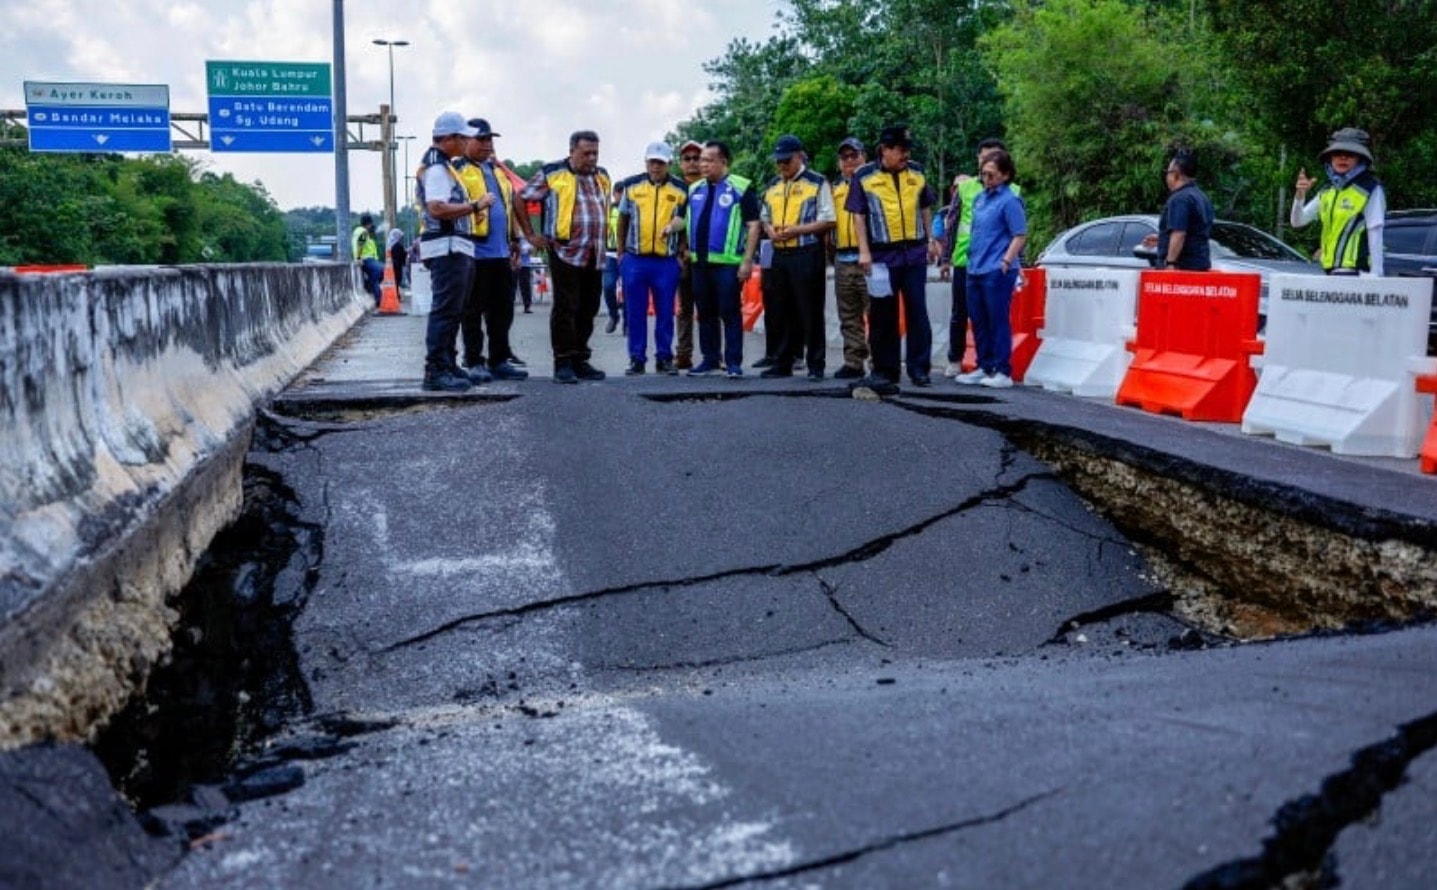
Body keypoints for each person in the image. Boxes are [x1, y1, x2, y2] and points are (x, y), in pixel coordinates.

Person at [847, 124, 937, 393]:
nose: (905, 154)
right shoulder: (864, 175)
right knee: (883, 314)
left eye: (908, 149)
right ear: (884, 150)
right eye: (900, 150)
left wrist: (931, 239)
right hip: (881, 257)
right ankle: (885, 371)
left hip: (914, 254)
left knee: (917, 310)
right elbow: (858, 215)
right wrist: (863, 250)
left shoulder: (917, 171)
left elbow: (925, 207)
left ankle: (920, 369)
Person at [518, 130, 612, 383]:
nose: (591, 158)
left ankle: (581, 357)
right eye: (586, 153)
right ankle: (563, 362)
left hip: (596, 250)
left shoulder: (602, 176)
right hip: (565, 251)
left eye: (595, 153)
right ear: (572, 151)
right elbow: (521, 197)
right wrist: (530, 234)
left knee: (589, 307)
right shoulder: (552, 173)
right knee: (565, 308)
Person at [455, 117, 527, 382]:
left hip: (500, 254)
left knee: (502, 311)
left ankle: (499, 359)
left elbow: (507, 208)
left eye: (490, 139)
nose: (487, 144)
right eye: (481, 139)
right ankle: (473, 360)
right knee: (472, 311)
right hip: (473, 253)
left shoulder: (497, 171)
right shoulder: (458, 170)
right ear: (466, 140)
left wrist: (515, 239)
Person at [759, 135, 836, 380]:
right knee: (781, 310)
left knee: (810, 310)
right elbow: (764, 216)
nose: (782, 166)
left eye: (787, 161)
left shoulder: (817, 182)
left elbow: (829, 219)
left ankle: (816, 364)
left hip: (806, 252)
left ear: (799, 157)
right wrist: (770, 230)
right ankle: (783, 361)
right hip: (780, 253)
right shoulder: (772, 185)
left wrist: (797, 230)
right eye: (779, 162)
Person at [415, 112, 481, 392]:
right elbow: (437, 208)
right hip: (446, 246)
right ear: (451, 139)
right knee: (445, 310)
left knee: (453, 310)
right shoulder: (438, 169)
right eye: (464, 138)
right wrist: (475, 206)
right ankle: (436, 371)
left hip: (453, 245)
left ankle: (447, 363)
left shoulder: (444, 165)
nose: (468, 143)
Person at [685, 140, 762, 378]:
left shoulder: (741, 187)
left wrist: (747, 261)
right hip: (700, 262)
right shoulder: (694, 189)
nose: (703, 164)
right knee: (705, 313)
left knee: (729, 313)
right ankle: (710, 359)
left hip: (728, 263)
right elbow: (683, 218)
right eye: (701, 160)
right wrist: (671, 228)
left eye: (708, 160)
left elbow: (753, 225)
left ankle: (734, 362)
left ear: (723, 162)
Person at [935, 138, 1011, 377]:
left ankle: (993, 366)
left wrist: (1015, 263)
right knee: (963, 313)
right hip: (965, 260)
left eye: (993, 157)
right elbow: (952, 223)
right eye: (984, 157)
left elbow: (1017, 231)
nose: (988, 162)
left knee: (993, 315)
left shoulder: (1011, 192)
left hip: (995, 263)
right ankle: (957, 359)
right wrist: (945, 258)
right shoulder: (967, 189)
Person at [955, 149, 1027, 389]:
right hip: (975, 266)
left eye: (992, 175)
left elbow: (1019, 234)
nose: (987, 179)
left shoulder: (1010, 200)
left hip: (997, 268)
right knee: (978, 319)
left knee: (997, 320)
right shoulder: (980, 199)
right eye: (984, 174)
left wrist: (1006, 261)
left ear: (1005, 175)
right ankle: (984, 365)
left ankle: (1002, 370)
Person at [616, 141, 688, 375]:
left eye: (660, 163)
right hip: (636, 258)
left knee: (665, 312)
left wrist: (682, 252)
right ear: (645, 162)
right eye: (652, 162)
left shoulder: (680, 189)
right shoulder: (631, 185)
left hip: (666, 261)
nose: (655, 167)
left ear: (669, 163)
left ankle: (664, 357)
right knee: (635, 311)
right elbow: (622, 219)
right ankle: (637, 358)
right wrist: (620, 253)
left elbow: (686, 223)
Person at [1291, 127, 1386, 276]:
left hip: (1357, 273)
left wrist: (1376, 276)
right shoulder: (1327, 191)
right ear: (1330, 158)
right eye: (1337, 153)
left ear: (1360, 158)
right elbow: (1297, 221)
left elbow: (1376, 231)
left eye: (1350, 154)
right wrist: (1299, 196)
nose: (1343, 158)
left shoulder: (1370, 188)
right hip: (1330, 272)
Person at [830, 136, 870, 379]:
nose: (849, 161)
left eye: (854, 155)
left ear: (864, 157)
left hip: (869, 257)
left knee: (876, 311)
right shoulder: (835, 189)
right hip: (843, 256)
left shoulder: (873, 184)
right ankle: (854, 361)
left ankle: (880, 361)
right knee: (848, 314)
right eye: (844, 157)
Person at [1155, 151, 1214, 271]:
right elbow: (1194, 231)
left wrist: (1170, 263)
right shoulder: (1200, 196)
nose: (1166, 177)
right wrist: (1162, 238)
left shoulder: (1179, 198)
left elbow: (1179, 233)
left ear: (1176, 174)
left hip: (1181, 267)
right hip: (1198, 264)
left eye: (1168, 173)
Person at [674, 139, 705, 369]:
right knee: (684, 309)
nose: (693, 163)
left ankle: (713, 356)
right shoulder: (675, 190)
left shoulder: (712, 187)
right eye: (688, 159)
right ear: (680, 163)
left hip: (708, 258)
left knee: (708, 309)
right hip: (681, 257)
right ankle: (683, 354)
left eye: (697, 158)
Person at [602, 185, 624, 334]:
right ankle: (613, 314)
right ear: (614, 194)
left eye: (623, 193)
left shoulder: (632, 209)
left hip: (628, 255)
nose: (621, 196)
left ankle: (628, 323)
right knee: (608, 286)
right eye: (618, 193)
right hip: (610, 254)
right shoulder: (608, 210)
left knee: (629, 289)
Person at [352, 213, 384, 306]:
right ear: (368, 224)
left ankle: (377, 297)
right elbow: (360, 245)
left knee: (376, 278)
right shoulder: (363, 232)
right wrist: (358, 258)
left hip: (368, 259)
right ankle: (369, 285)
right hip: (366, 259)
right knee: (380, 271)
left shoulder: (361, 232)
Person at [514, 237, 535, 313]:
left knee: (526, 285)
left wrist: (529, 249)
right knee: (512, 285)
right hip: (514, 263)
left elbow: (532, 250)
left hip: (525, 264)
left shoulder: (528, 235)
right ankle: (510, 306)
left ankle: (527, 306)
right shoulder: (513, 233)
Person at [386, 225, 408, 291]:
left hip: (390, 266)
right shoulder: (398, 245)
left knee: (393, 283)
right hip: (397, 266)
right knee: (397, 281)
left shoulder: (389, 245)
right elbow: (403, 255)